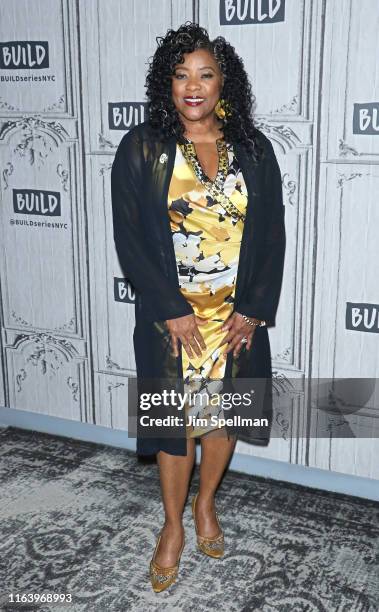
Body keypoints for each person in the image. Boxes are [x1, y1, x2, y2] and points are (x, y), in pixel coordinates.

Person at [111, 22, 286, 592]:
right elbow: (130, 238)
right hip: (172, 321)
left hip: (234, 318)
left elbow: (273, 235)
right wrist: (169, 307)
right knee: (173, 426)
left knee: (222, 419)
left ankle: (205, 505)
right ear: (167, 84)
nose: (193, 85)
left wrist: (255, 311)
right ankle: (171, 527)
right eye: (180, 74)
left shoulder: (255, 151)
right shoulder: (141, 146)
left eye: (205, 74)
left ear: (223, 83)